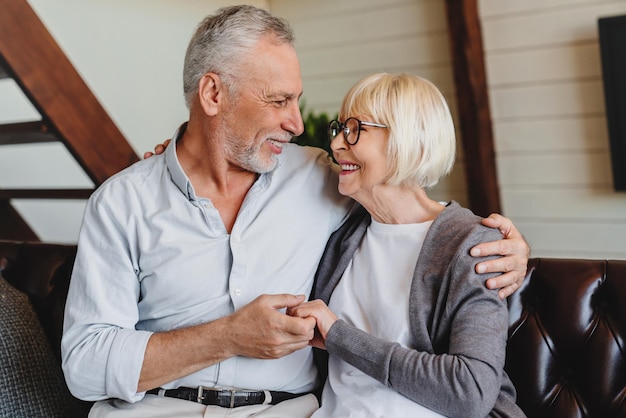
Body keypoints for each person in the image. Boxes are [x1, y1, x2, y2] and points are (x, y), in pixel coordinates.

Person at [61, 5, 529, 418]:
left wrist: (510, 249)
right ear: (213, 95)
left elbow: (406, 203)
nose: (298, 123)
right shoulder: (124, 202)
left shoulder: (323, 179)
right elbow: (84, 366)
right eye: (279, 100)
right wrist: (228, 337)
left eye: (296, 101)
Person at [288, 73, 526, 417]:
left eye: (355, 129)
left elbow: (470, 391)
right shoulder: (339, 231)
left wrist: (341, 337)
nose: (338, 144)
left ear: (408, 139)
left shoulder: (470, 244)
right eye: (338, 128)